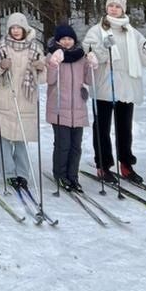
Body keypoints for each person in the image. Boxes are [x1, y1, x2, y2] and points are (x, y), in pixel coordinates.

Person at [83, 0, 146, 184]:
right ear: (106, 8)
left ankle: (126, 164)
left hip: (127, 87)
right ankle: (103, 165)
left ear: (123, 9)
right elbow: (89, 54)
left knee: (125, 128)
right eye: (111, 6)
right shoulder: (97, 30)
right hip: (105, 85)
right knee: (103, 128)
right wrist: (101, 51)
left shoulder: (132, 32)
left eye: (117, 6)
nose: (113, 9)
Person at [0, 12, 47, 190]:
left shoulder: (34, 48)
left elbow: (43, 78)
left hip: (25, 99)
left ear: (25, 29)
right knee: (3, 138)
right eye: (13, 28)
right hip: (4, 97)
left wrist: (40, 68)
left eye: (19, 27)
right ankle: (9, 173)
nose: (16, 31)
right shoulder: (1, 46)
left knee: (22, 139)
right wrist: (0, 66)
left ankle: (22, 173)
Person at [46, 24, 99, 191]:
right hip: (60, 107)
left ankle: (73, 176)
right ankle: (60, 174)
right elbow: (49, 80)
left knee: (76, 146)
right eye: (63, 39)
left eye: (69, 39)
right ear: (58, 40)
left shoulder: (80, 57)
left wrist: (92, 66)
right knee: (63, 145)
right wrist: (54, 64)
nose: (67, 42)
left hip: (78, 108)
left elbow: (90, 81)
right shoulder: (53, 55)